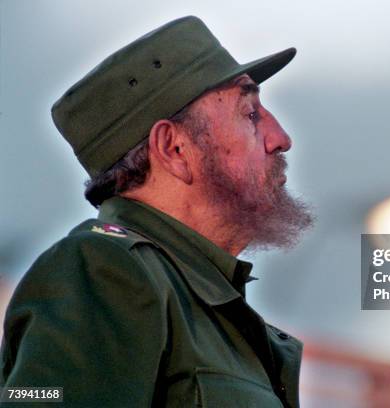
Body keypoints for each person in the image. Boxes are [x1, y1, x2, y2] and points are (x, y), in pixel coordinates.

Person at [0, 16, 312, 407]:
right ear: (174, 148)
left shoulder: (198, 301)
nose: (280, 139)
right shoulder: (106, 270)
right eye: (250, 114)